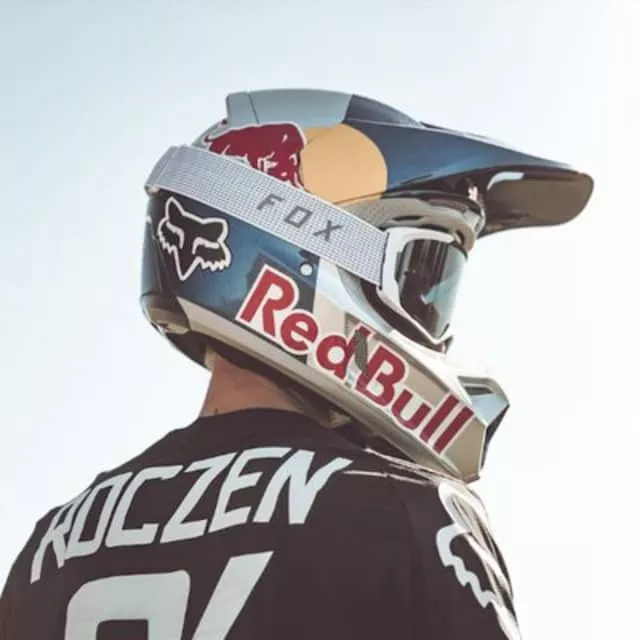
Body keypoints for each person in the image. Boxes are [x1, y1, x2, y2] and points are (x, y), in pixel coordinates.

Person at [0, 89, 592, 639]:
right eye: (422, 272)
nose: (433, 316)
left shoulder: (53, 544)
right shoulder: (408, 510)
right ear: (303, 250)